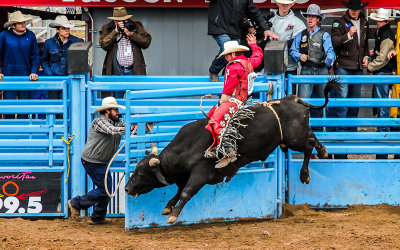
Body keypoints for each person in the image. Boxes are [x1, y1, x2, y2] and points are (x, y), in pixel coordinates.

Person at [204, 33, 263, 168]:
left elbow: (227, 92)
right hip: (243, 100)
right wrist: (254, 45)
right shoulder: (247, 63)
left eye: (227, 55)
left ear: (234, 53)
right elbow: (258, 57)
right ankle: (215, 147)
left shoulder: (233, 67)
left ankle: (228, 152)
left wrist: (220, 103)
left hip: (233, 100)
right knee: (210, 117)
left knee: (213, 120)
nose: (225, 57)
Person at [68, 97, 128, 225]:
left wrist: (138, 126)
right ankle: (76, 203)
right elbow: (112, 131)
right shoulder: (99, 121)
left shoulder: (118, 122)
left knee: (106, 189)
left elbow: (127, 127)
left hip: (101, 161)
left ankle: (98, 217)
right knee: (105, 190)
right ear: (107, 111)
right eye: (115, 110)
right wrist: (130, 128)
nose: (118, 112)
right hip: (92, 161)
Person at [207, 0, 276, 82]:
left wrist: (266, 29)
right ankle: (214, 70)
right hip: (219, 28)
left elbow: (255, 12)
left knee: (236, 55)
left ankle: (232, 78)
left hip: (235, 30)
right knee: (228, 47)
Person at [329, 0, 369, 131]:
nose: (353, 10)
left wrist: (367, 56)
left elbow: (365, 43)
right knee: (343, 100)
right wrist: (348, 34)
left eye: (356, 8)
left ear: (360, 9)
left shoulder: (364, 22)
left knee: (355, 100)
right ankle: (341, 131)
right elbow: (334, 42)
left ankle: (352, 130)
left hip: (358, 67)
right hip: (343, 67)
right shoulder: (339, 22)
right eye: (351, 8)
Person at [99, 7, 152, 98]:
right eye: (118, 21)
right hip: (116, 70)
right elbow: (104, 44)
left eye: (123, 20)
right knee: (116, 99)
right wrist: (115, 32)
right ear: (114, 21)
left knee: (135, 98)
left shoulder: (135, 26)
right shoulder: (108, 28)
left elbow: (146, 42)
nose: (121, 23)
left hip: (134, 70)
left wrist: (132, 34)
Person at [366, 9, 398, 159]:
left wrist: (369, 66)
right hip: (382, 72)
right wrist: (376, 52)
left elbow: (383, 59)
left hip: (382, 72)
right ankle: (383, 139)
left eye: (379, 21)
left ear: (385, 22)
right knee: (381, 103)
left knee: (382, 104)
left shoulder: (386, 36)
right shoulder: (383, 33)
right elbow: (383, 55)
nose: (377, 23)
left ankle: (383, 138)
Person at [289, 4, 336, 100]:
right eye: (308, 16)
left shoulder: (324, 35)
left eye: (313, 17)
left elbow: (330, 52)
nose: (310, 19)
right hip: (306, 69)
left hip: (321, 69)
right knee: (303, 101)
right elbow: (292, 51)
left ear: (318, 19)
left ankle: (322, 115)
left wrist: (329, 59)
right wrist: (299, 55)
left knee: (323, 100)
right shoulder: (300, 35)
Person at [0, 11, 40, 119]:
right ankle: (10, 134)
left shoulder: (31, 36)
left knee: (24, 108)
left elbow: (35, 56)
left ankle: (23, 135)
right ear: (13, 26)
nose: (24, 25)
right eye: (20, 23)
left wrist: (34, 71)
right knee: (9, 108)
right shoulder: (4, 36)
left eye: (24, 22)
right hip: (8, 77)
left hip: (26, 77)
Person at [41, 15, 83, 99]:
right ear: (57, 30)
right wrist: (49, 74)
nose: (67, 30)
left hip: (71, 79)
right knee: (55, 104)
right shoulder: (49, 43)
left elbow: (82, 61)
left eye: (68, 28)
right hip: (54, 79)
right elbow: (44, 60)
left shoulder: (78, 42)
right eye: (64, 28)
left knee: (71, 103)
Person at [269, 0, 306, 77]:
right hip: (273, 66)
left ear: (291, 5)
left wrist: (278, 45)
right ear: (277, 3)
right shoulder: (271, 21)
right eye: (282, 3)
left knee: (289, 89)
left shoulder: (298, 22)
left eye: (287, 4)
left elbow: (298, 42)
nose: (284, 6)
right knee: (273, 89)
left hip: (290, 67)